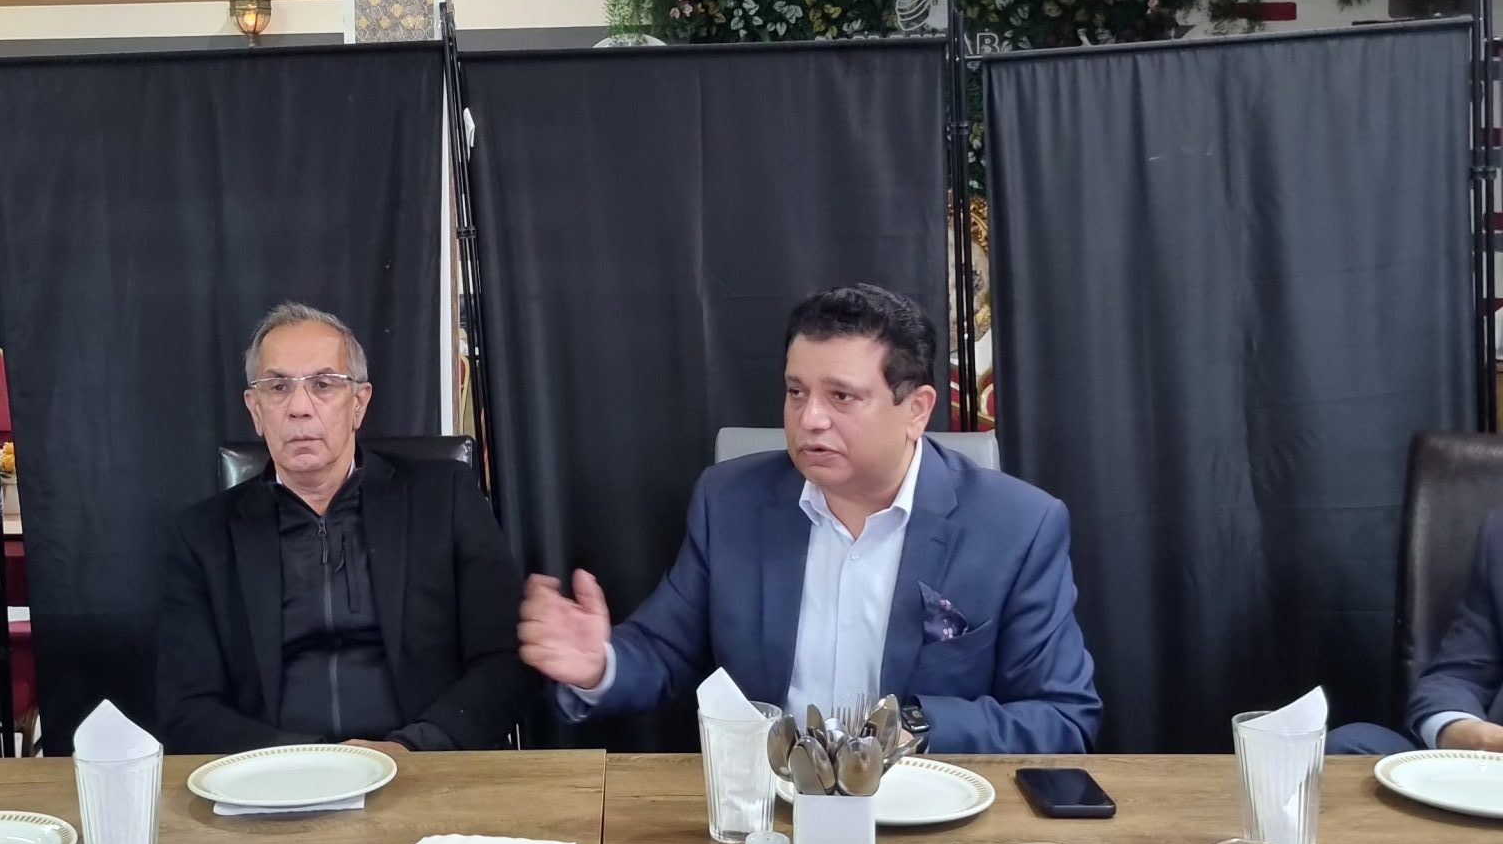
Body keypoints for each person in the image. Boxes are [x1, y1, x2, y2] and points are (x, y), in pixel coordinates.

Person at [519, 282, 1101, 755]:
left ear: (916, 410)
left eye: (841, 397)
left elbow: (1062, 719)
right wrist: (600, 665)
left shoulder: (1017, 526)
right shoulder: (731, 501)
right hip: (768, 813)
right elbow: (663, 650)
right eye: (796, 392)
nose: (809, 419)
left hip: (930, 812)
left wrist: (915, 728)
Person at [157, 302, 533, 752]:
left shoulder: (444, 499)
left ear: (358, 403)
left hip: (424, 765)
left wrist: (416, 747)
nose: (299, 408)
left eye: (323, 384)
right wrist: (308, 760)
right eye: (278, 387)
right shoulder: (202, 536)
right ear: (255, 410)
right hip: (276, 773)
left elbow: (505, 661)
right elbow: (186, 706)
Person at [1330, 509, 1503, 755]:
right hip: (1489, 762)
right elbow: (1462, 675)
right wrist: (1473, 737)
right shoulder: (1498, 533)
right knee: (1347, 744)